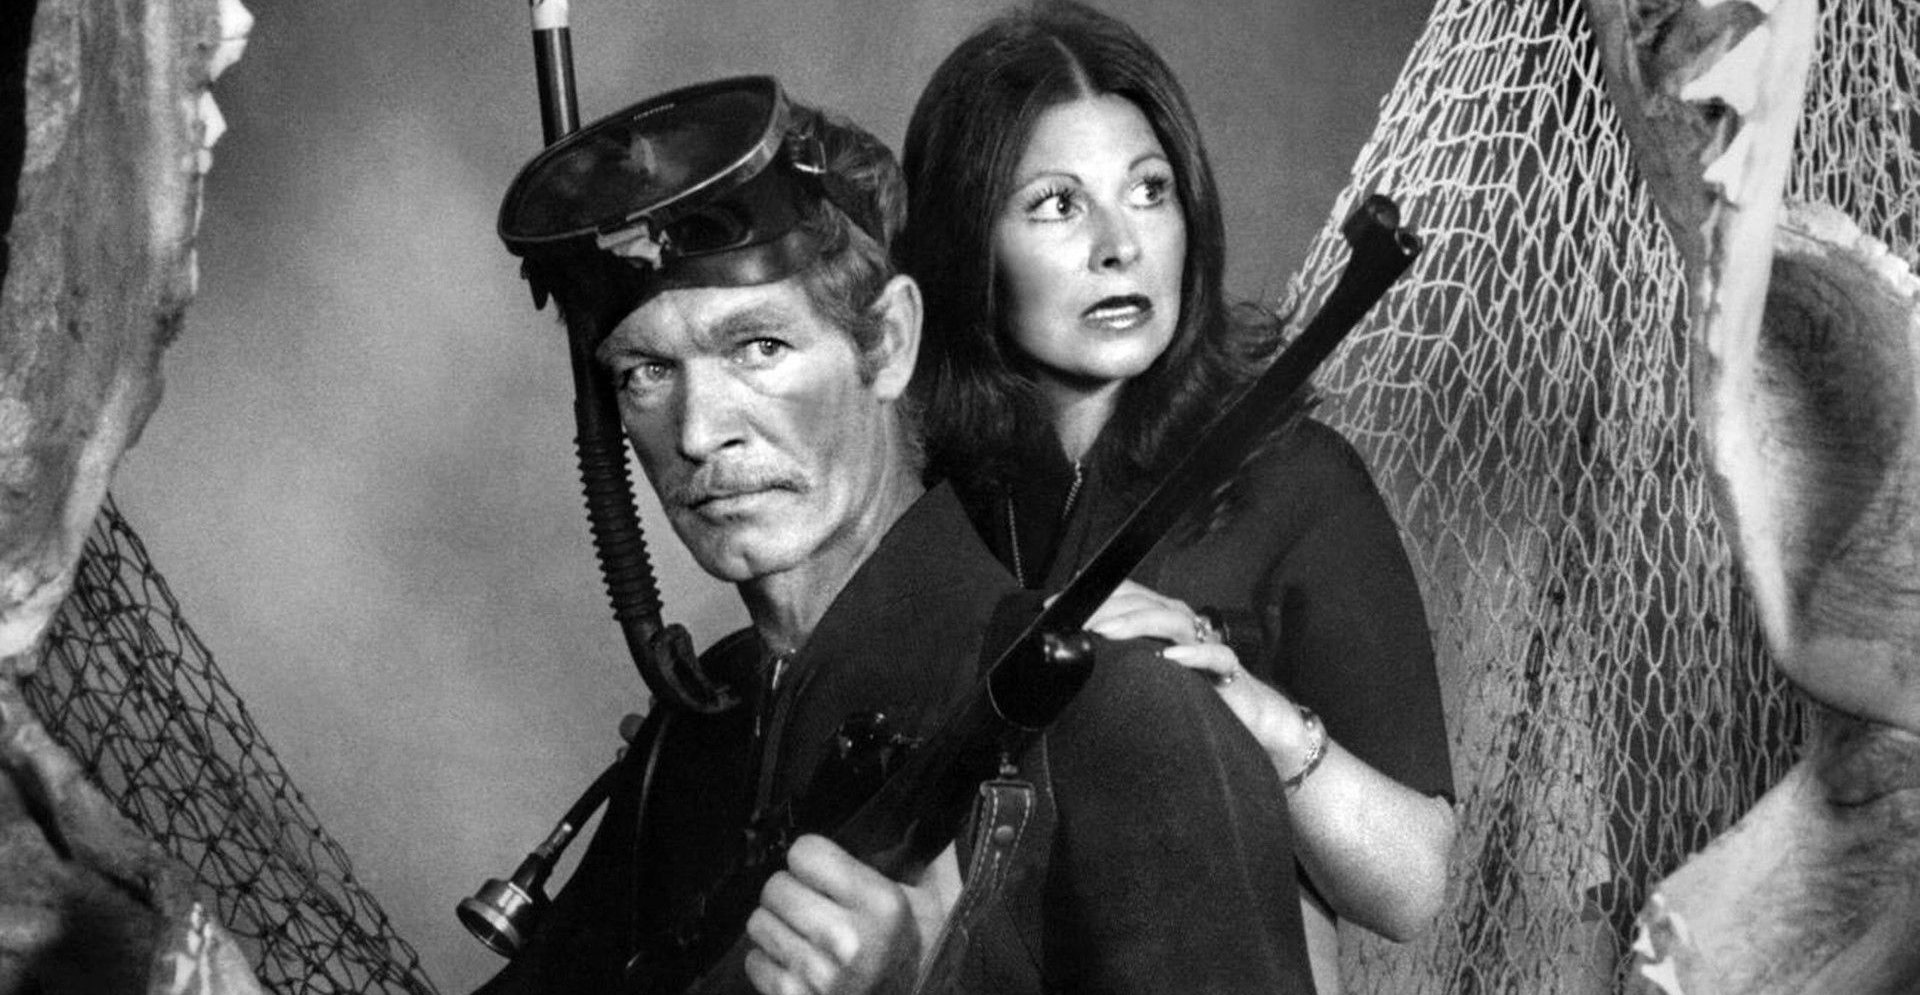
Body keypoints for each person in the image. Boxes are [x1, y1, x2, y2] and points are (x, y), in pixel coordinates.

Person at [477, 80, 1318, 995]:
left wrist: (922, 984)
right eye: (646, 371)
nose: (698, 431)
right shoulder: (700, 731)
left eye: (760, 348)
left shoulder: (1116, 710)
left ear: (888, 342)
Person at [897, 0, 1459, 993]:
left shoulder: (1295, 479)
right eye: (1057, 204)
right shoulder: (935, 506)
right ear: (965, 247)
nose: (1121, 244)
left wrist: (1250, 709)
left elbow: (1412, 888)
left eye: (1149, 191)